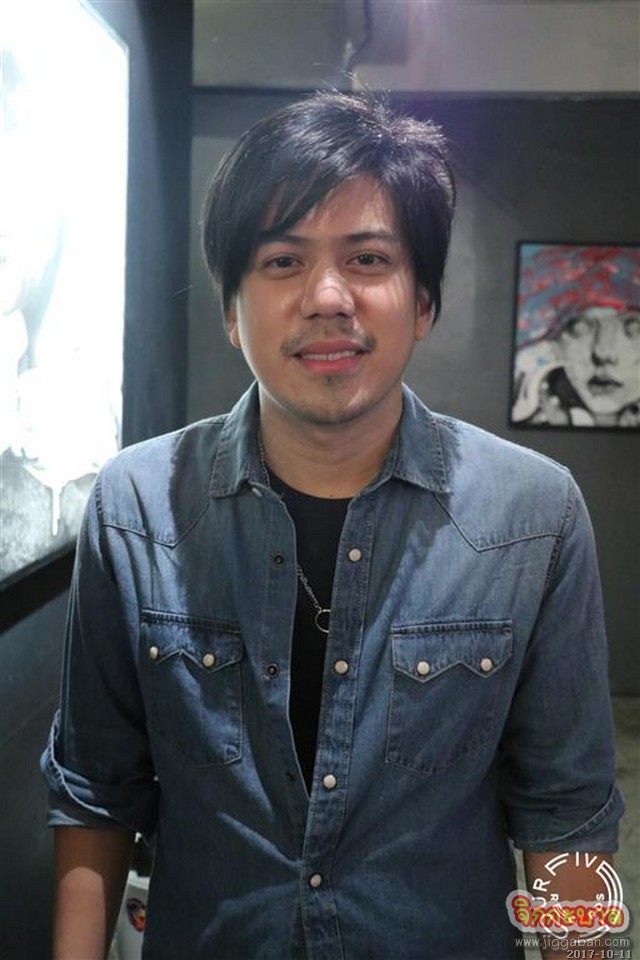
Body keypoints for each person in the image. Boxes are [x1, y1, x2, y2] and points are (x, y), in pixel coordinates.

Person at [42, 92, 624, 960]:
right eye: (282, 260)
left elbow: (566, 812)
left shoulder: (534, 514)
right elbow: (95, 792)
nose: (326, 297)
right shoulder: (137, 507)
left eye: (367, 258)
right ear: (232, 309)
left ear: (422, 302)